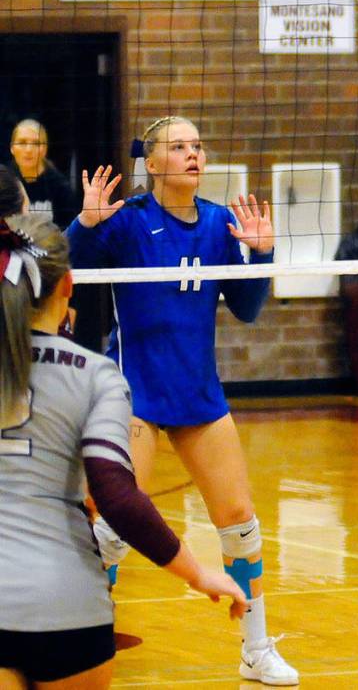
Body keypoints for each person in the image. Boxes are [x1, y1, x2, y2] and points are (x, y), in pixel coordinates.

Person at [66, 116, 299, 686]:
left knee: (240, 521)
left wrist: (262, 256)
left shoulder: (221, 223)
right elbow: (67, 271)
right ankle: (82, 636)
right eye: (179, 147)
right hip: (135, 391)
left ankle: (256, 647)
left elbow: (244, 308)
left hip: (198, 392)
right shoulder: (128, 223)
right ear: (152, 162)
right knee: (115, 526)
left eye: (197, 146)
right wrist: (84, 224)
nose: (193, 154)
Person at [0, 213, 246, 690]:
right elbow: (116, 496)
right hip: (65, 605)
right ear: (69, 285)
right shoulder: (97, 376)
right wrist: (196, 574)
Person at [9, 119, 77, 228]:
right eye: (22, 142)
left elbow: (68, 232)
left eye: (36, 143)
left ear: (44, 149)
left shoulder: (60, 187)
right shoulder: (4, 180)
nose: (28, 150)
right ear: (12, 148)